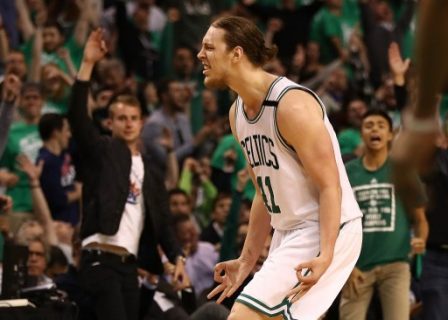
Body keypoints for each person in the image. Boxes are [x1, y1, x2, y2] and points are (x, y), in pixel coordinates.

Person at [198, 16, 363, 320]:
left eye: (209, 47)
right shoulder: (237, 115)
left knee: (243, 316)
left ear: (237, 53)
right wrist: (247, 259)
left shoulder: (291, 105)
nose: (200, 55)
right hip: (289, 229)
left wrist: (326, 253)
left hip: (324, 225)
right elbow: (263, 189)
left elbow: (330, 185)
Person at [67, 30, 187, 320]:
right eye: (121, 118)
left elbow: (163, 222)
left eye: (134, 118)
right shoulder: (104, 151)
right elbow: (78, 119)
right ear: (110, 123)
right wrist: (87, 64)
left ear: (142, 122)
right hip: (100, 259)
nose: (128, 123)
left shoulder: (151, 169)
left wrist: (177, 258)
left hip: (130, 265)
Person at [339, 109, 428, 320]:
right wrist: (345, 265)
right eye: (369, 125)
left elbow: (421, 220)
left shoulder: (403, 171)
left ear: (390, 134)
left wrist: (420, 240)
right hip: (356, 267)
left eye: (381, 125)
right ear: (361, 133)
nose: (375, 129)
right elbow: (336, 222)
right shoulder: (347, 172)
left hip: (395, 264)